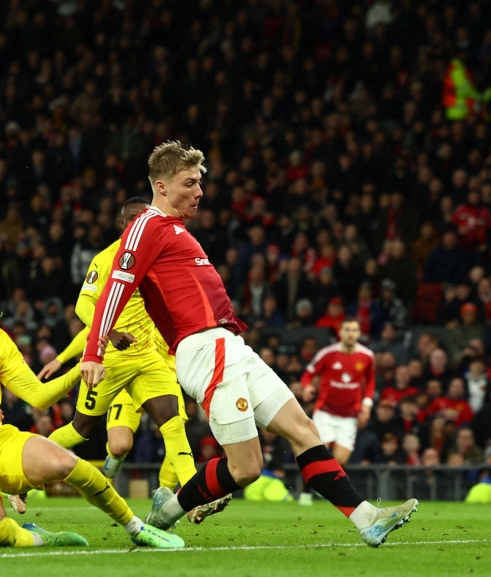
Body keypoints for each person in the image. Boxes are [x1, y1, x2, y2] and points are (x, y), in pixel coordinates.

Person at [79, 141, 418, 547]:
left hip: (230, 345)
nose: (200, 192)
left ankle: (367, 519)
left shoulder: (173, 231)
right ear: (161, 186)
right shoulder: (146, 225)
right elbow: (115, 288)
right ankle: (167, 513)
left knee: (303, 429)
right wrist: (93, 351)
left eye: (201, 182)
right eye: (189, 183)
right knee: (246, 468)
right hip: (205, 349)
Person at [0, 260, 182, 549]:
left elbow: (39, 397)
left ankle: (137, 528)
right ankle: (41, 538)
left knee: (66, 462)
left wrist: (85, 364)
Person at [36, 198, 214, 520]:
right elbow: (83, 308)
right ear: (122, 224)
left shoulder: (157, 258)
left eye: (144, 218)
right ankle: (30, 463)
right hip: (113, 362)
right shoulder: (105, 260)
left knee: (172, 423)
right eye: (132, 219)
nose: (139, 224)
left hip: (150, 358)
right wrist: (110, 334)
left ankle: (192, 494)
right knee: (82, 430)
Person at [297, 317, 375, 505]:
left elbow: (371, 381)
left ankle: (323, 491)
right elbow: (308, 374)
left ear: (359, 333)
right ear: (340, 332)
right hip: (325, 412)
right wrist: (307, 387)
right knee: (317, 454)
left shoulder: (367, 356)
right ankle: (306, 492)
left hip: (349, 416)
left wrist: (367, 404)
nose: (350, 333)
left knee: (340, 461)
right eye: (347, 329)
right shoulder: (327, 354)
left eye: (354, 330)